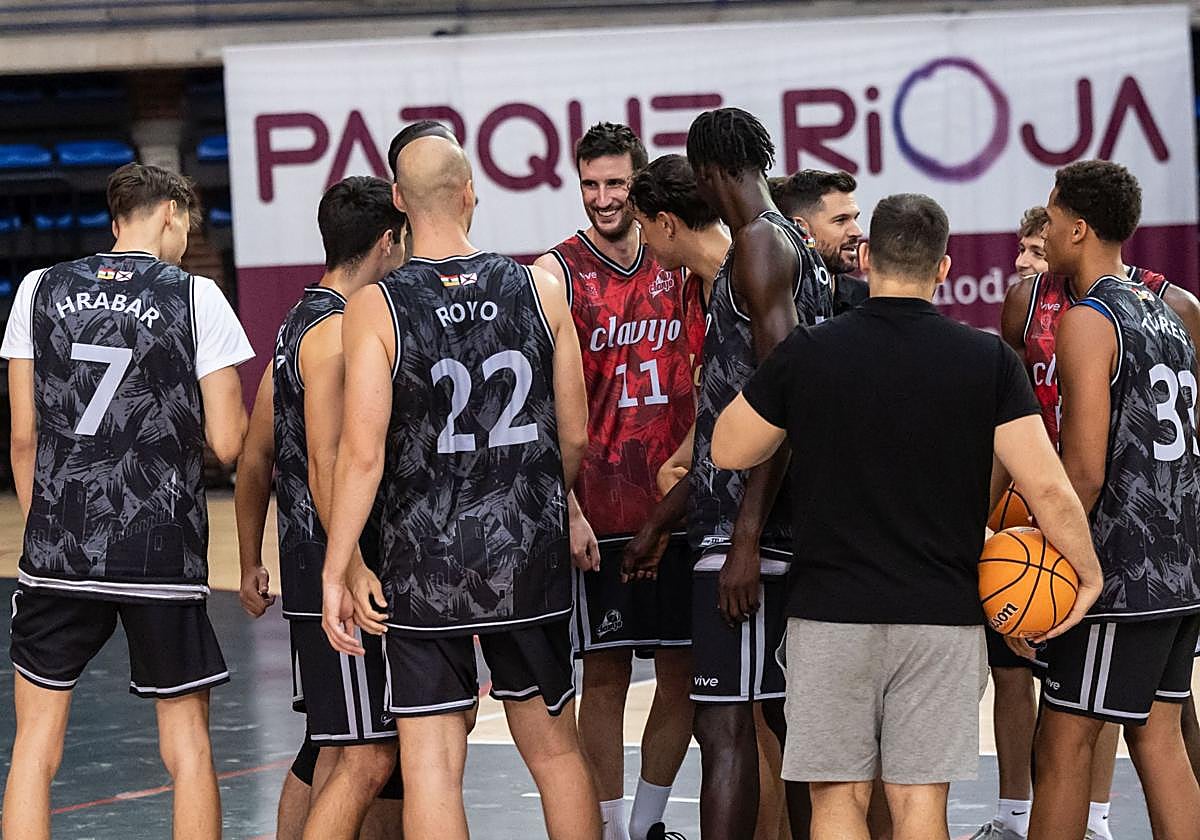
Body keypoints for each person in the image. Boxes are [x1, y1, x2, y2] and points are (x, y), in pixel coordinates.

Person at [710, 191, 1103, 840]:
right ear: (944, 268)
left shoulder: (809, 352)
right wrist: (1086, 575)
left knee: (837, 804)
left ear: (866, 258)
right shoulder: (987, 361)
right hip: (940, 618)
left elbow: (729, 448)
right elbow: (1050, 490)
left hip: (830, 613)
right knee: (921, 808)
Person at [320, 134, 599, 840]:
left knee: (433, 767)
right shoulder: (542, 286)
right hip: (525, 548)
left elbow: (360, 456)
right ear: (471, 192)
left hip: (425, 559)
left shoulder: (377, 307)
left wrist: (338, 566)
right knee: (557, 753)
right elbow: (574, 436)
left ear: (397, 203)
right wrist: (547, 502)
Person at [2, 162, 253, 840]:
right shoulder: (197, 298)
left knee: (34, 748)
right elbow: (230, 444)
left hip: (58, 546)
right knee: (188, 750)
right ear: (171, 214)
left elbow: (23, 438)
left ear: (120, 219)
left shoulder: (36, 289)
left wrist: (49, 524)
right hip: (158, 548)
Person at [625, 107, 832, 840]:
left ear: (711, 172)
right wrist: (662, 518)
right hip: (763, 521)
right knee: (788, 724)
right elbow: (732, 427)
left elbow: (785, 401)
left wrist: (744, 538)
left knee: (723, 728)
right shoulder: (789, 244)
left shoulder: (758, 245)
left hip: (754, 536)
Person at [993, 203, 1200, 840]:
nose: (1042, 235)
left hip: (1119, 568)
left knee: (1059, 747)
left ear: (1077, 227)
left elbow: (1082, 470)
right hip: (1179, 559)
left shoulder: (1089, 316)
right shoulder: (1168, 310)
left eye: (1050, 221)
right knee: (1160, 742)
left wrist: (1061, 566)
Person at [533, 126, 700, 840]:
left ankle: (646, 824)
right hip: (599, 511)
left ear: (640, 186)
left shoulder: (681, 264)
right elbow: (540, 408)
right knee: (602, 678)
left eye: (617, 184)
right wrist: (565, 503)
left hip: (680, 505)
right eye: (591, 184)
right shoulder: (555, 272)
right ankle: (599, 826)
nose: (603, 198)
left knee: (684, 676)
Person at [234, 176, 407, 840]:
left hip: (312, 567)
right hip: (339, 571)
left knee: (333, 745)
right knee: (368, 756)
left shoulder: (296, 322)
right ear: (386, 244)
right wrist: (355, 564)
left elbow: (253, 458)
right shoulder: (336, 334)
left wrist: (251, 559)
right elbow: (328, 459)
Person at [768, 169, 865, 314]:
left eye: (855, 218)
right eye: (841, 220)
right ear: (801, 228)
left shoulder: (866, 298)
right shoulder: (770, 304)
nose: (857, 232)